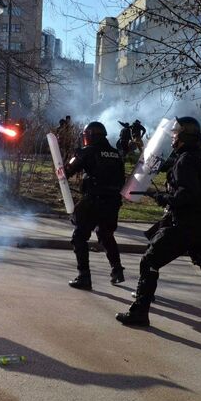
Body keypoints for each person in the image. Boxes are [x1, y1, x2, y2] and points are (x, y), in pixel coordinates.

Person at [115, 117, 201, 330]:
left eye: (176, 133)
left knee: (150, 261)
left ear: (185, 136)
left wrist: (164, 198)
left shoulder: (186, 160)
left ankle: (139, 312)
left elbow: (187, 195)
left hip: (186, 226)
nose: (173, 136)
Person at [64, 121, 126, 290]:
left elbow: (67, 171)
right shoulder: (115, 153)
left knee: (79, 237)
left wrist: (73, 157)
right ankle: (117, 271)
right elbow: (122, 178)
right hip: (113, 202)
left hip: (93, 201)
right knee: (105, 235)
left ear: (90, 136)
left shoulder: (88, 151)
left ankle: (84, 277)